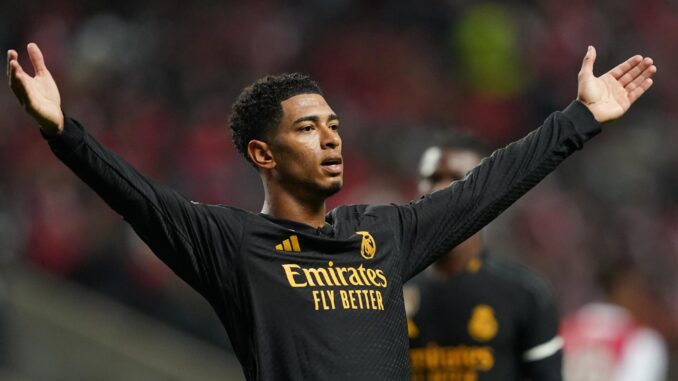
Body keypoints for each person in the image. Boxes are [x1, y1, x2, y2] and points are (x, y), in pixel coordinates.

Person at [6, 43, 656, 381]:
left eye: (335, 125)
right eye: (309, 128)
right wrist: (63, 129)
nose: (332, 138)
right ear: (263, 152)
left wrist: (580, 118)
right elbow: (139, 198)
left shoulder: (382, 233)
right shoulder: (234, 244)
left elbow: (488, 186)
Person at [405, 133, 563, 381]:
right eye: (432, 178)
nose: (440, 190)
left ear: (485, 192)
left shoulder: (526, 294)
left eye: (458, 179)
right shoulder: (388, 289)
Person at [560, 258, 669, 381]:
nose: (646, 300)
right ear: (626, 291)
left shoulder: (562, 331)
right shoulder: (642, 339)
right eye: (643, 290)